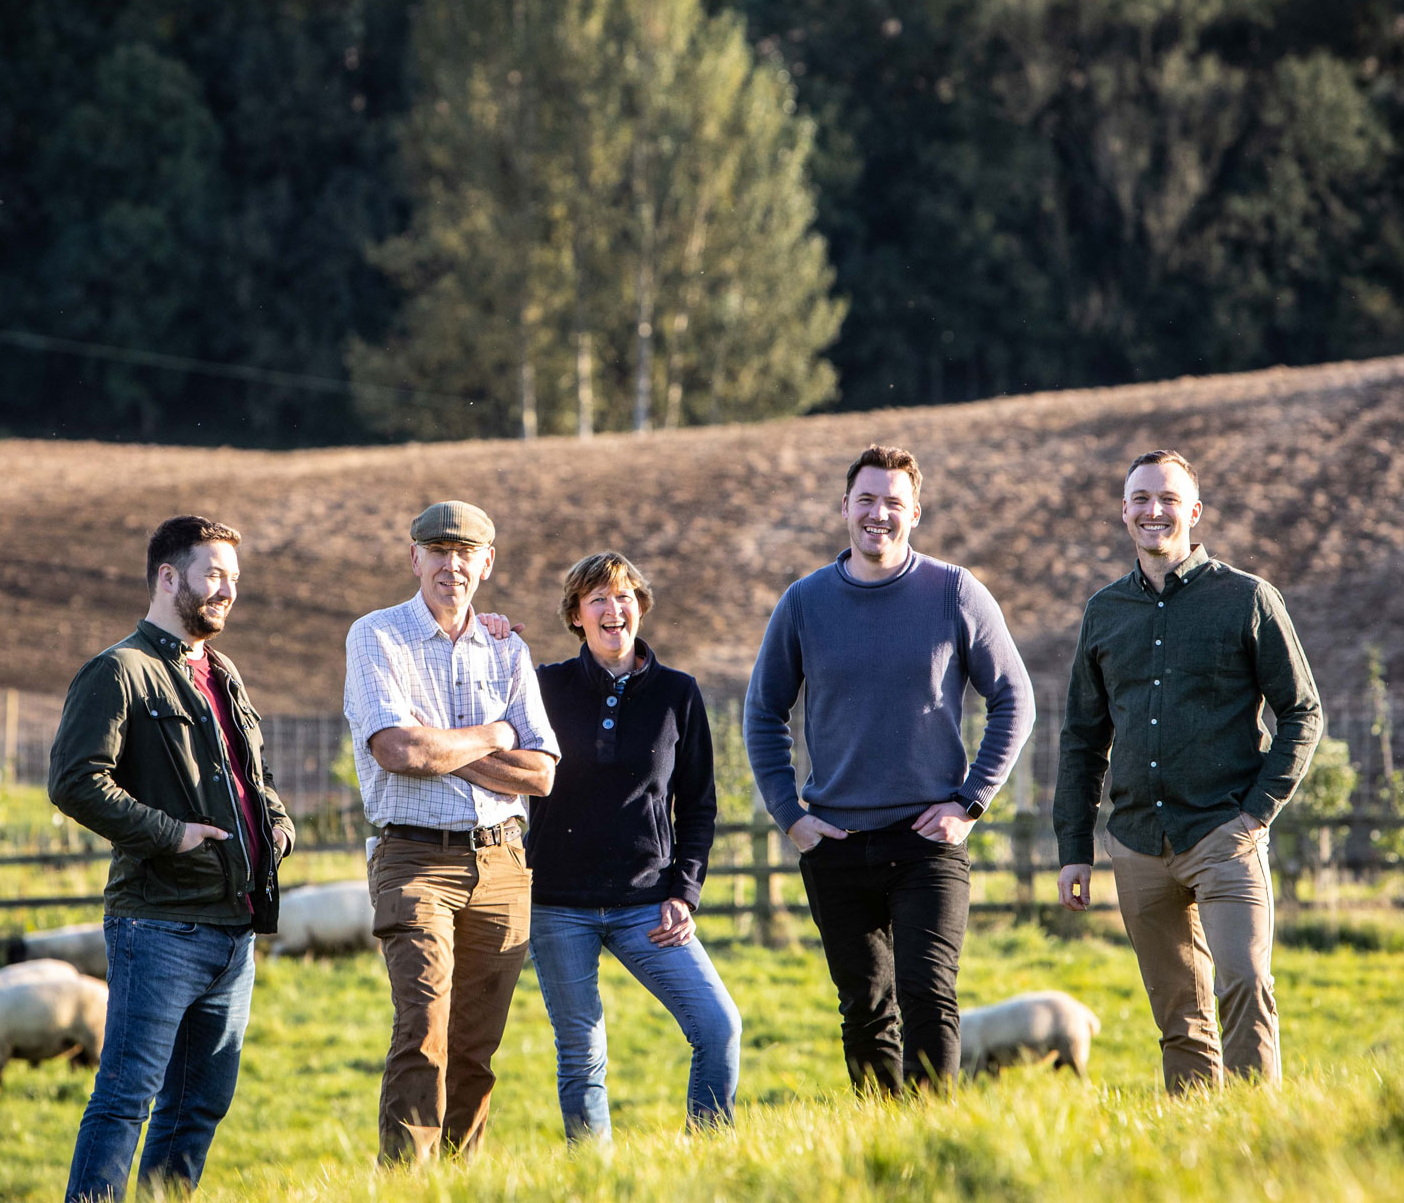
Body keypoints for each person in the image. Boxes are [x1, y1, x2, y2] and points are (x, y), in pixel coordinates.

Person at [744, 443, 1036, 1094]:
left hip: (928, 840)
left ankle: (929, 1139)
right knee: (865, 1009)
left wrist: (970, 801)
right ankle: (882, 1141)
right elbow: (763, 711)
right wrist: (790, 816)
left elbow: (1015, 698)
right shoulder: (803, 602)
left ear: (915, 511)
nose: (879, 514)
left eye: (893, 502)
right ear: (845, 507)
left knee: (928, 994)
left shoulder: (954, 592)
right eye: (867, 500)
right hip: (836, 844)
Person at [1055, 450, 1322, 1093]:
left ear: (1194, 511)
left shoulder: (1247, 599)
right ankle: (1195, 1144)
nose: (1154, 510)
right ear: (1124, 512)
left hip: (1223, 833)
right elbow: (1082, 740)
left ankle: (1260, 1139)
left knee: (1245, 987)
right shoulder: (1104, 612)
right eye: (1141, 499)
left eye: (1168, 499)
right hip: (1139, 844)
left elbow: (1302, 712)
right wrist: (1074, 850)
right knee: (1180, 1018)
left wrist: (1255, 814)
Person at [49, 515, 294, 1203]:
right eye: (214, 574)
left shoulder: (222, 671)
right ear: (167, 576)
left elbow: (255, 774)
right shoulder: (118, 671)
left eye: (234, 579)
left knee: (197, 1108)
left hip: (233, 928)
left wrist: (276, 824)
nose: (228, 591)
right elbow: (75, 781)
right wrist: (170, 833)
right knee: (127, 1098)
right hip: (157, 927)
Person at [343, 500, 560, 1164]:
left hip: (502, 864)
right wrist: (496, 736)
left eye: (466, 553)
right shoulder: (376, 637)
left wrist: (446, 748)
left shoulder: (507, 648)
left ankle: (460, 1177)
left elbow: (543, 772)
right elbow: (400, 754)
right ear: (414, 558)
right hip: (413, 861)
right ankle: (408, 1179)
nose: (452, 565)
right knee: (424, 1028)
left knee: (475, 1045)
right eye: (438, 551)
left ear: (487, 563)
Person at [522, 551, 740, 1142]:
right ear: (576, 615)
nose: (613, 609)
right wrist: (497, 637)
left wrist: (685, 893)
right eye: (597, 599)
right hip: (556, 904)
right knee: (582, 1056)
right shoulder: (542, 685)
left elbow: (698, 806)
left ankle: (711, 1159)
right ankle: (596, 1181)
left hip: (648, 904)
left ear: (640, 607)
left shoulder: (679, 694)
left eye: (624, 597)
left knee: (718, 1026)